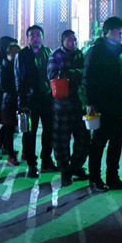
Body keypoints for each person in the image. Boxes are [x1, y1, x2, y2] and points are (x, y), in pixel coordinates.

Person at [84, 17, 122, 193]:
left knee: (117, 140)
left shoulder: (120, 51)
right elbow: (88, 78)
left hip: (118, 104)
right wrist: (91, 102)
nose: (121, 34)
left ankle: (113, 177)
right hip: (102, 104)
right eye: (118, 31)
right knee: (99, 142)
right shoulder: (96, 51)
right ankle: (94, 178)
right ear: (108, 32)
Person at [48, 30, 90, 186]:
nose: (73, 42)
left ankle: (76, 166)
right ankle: (65, 170)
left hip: (79, 103)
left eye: (74, 39)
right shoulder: (55, 56)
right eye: (70, 40)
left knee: (84, 138)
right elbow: (54, 76)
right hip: (62, 105)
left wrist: (69, 74)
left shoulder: (80, 55)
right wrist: (76, 74)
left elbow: (86, 73)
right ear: (63, 41)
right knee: (61, 140)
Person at [16, 25, 56, 178]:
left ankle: (46, 160)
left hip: (46, 97)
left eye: (38, 35)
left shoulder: (48, 53)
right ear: (27, 38)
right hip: (30, 99)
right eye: (32, 35)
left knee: (49, 130)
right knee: (29, 133)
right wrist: (22, 101)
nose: (35, 38)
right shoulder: (22, 55)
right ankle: (31, 164)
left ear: (43, 37)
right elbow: (18, 78)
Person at [0, 36, 17, 161]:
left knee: (11, 125)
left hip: (12, 97)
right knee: (7, 124)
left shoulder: (13, 60)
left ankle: (7, 146)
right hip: (4, 98)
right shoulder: (0, 61)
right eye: (11, 46)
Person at [0, 40, 21, 166]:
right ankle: (9, 154)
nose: (16, 55)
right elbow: (2, 85)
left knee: (14, 127)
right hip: (9, 100)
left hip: (18, 99)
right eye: (14, 52)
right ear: (9, 52)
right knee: (9, 127)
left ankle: (6, 149)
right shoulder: (4, 66)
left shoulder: (19, 65)